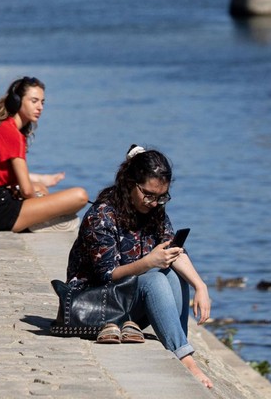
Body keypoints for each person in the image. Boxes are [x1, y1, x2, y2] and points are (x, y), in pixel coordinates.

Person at [66, 146, 213, 389]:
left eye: (161, 196)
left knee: (174, 274)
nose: (155, 203)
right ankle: (185, 358)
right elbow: (107, 275)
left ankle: (180, 344)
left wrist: (201, 286)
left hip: (126, 302)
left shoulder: (154, 211)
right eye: (149, 195)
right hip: (95, 304)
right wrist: (148, 263)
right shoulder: (102, 215)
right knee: (155, 279)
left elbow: (172, 251)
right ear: (129, 183)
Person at [0, 76, 88, 232]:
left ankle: (40, 221)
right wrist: (42, 205)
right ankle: (41, 222)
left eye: (42, 102)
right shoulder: (10, 133)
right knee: (80, 195)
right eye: (34, 101)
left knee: (40, 188)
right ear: (17, 101)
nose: (40, 107)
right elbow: (27, 190)